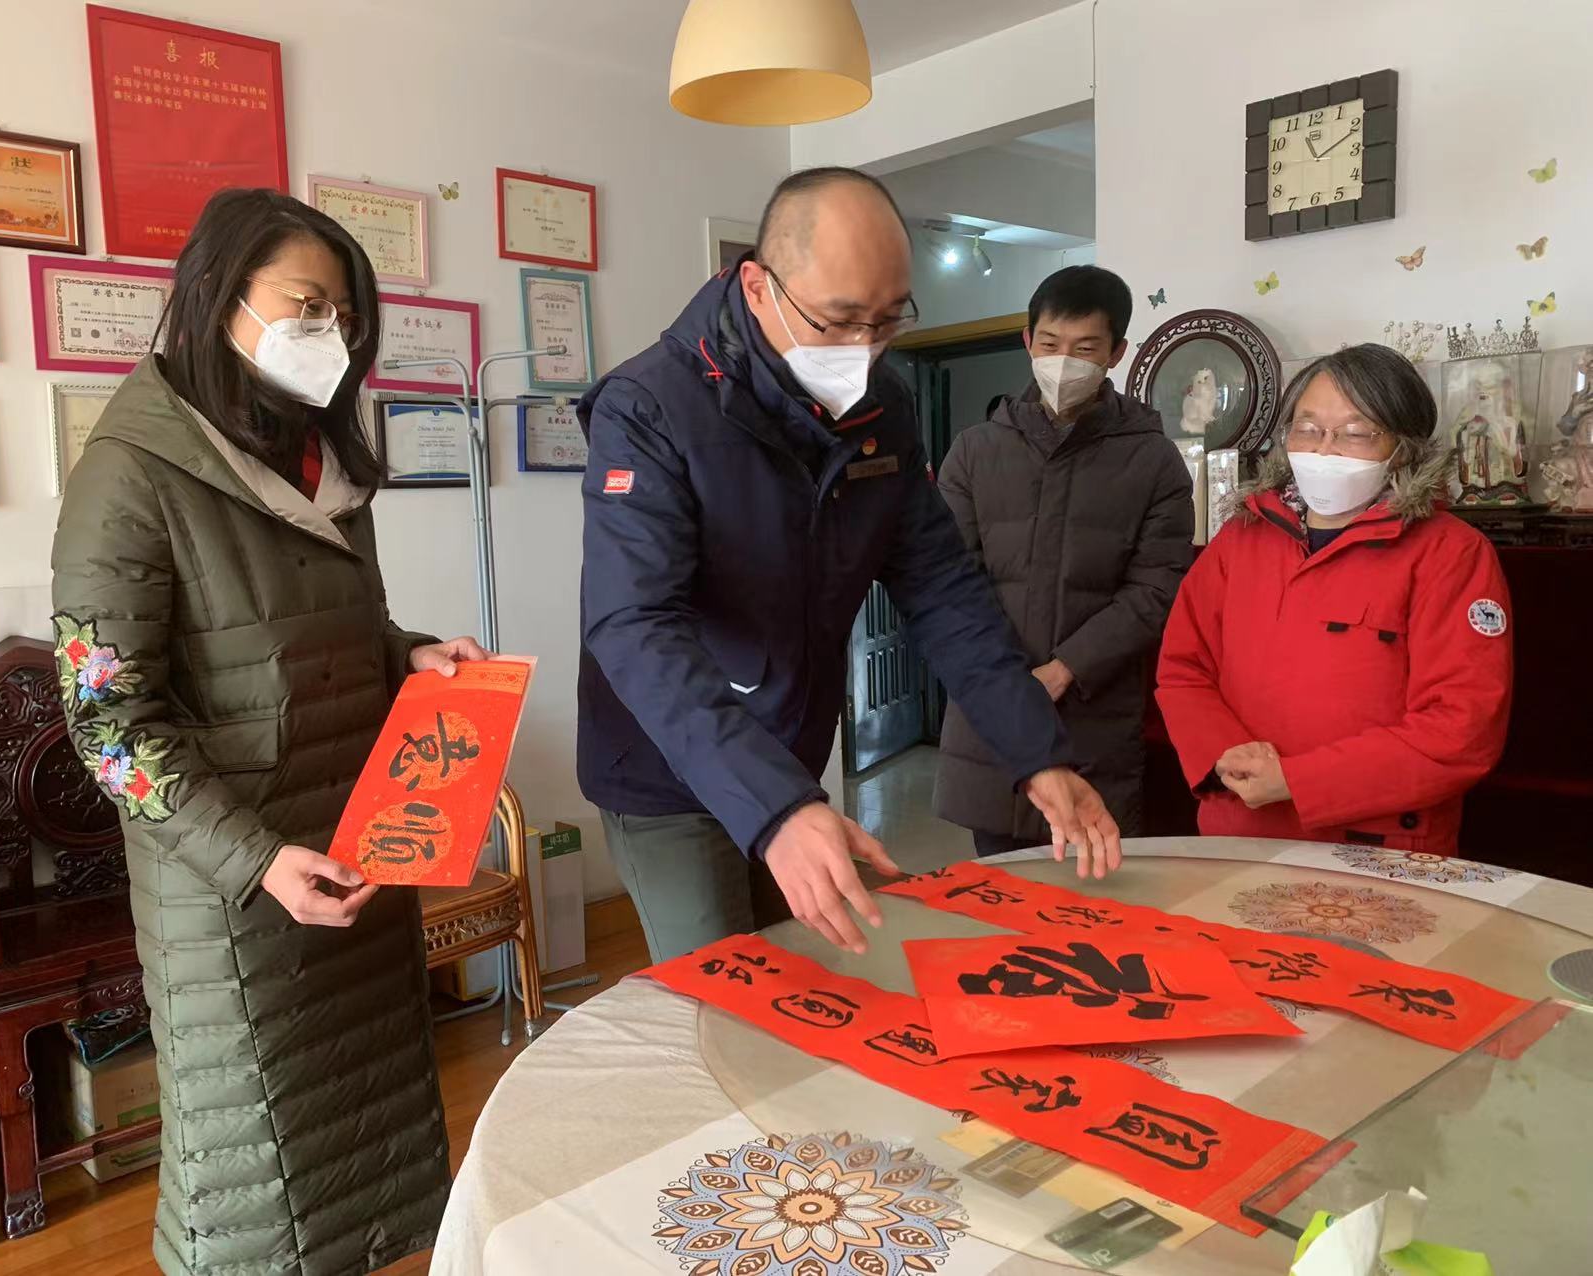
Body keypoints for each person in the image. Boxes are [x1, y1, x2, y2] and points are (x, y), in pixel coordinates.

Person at [51, 188, 482, 1276]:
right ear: (217, 293)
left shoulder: (318, 458)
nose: (329, 334)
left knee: (369, 1156)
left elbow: (338, 628)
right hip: (236, 886)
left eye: (345, 315)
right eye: (307, 305)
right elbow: (106, 727)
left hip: (355, 846)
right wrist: (254, 860)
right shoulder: (129, 473)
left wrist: (409, 654)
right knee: (253, 1181)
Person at [577, 167, 1121, 965]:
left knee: (813, 976)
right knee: (726, 986)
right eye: (837, 321)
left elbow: (943, 590)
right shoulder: (650, 405)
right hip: (666, 765)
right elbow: (633, 625)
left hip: (788, 756)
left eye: (887, 320)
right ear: (758, 287)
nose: (863, 350)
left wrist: (1036, 751)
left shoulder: (881, 408)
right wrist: (775, 807)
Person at [1157, 343, 1513, 852]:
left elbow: (1460, 730)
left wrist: (1298, 781)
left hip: (1377, 848)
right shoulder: (1241, 539)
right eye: (1307, 428)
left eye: (1354, 433)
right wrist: (1225, 754)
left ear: (1403, 447)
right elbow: (1183, 668)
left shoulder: (1451, 554)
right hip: (1239, 830)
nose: (1324, 450)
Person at [935, 266, 1193, 856]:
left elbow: (1157, 588)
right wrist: (1006, 681)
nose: (1063, 361)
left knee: (1095, 887)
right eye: (1050, 344)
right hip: (992, 718)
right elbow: (949, 582)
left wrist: (1065, 668)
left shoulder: (1154, 461)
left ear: (1116, 353)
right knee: (1002, 888)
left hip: (1094, 717)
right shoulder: (974, 451)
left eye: (1085, 349)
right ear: (1028, 341)